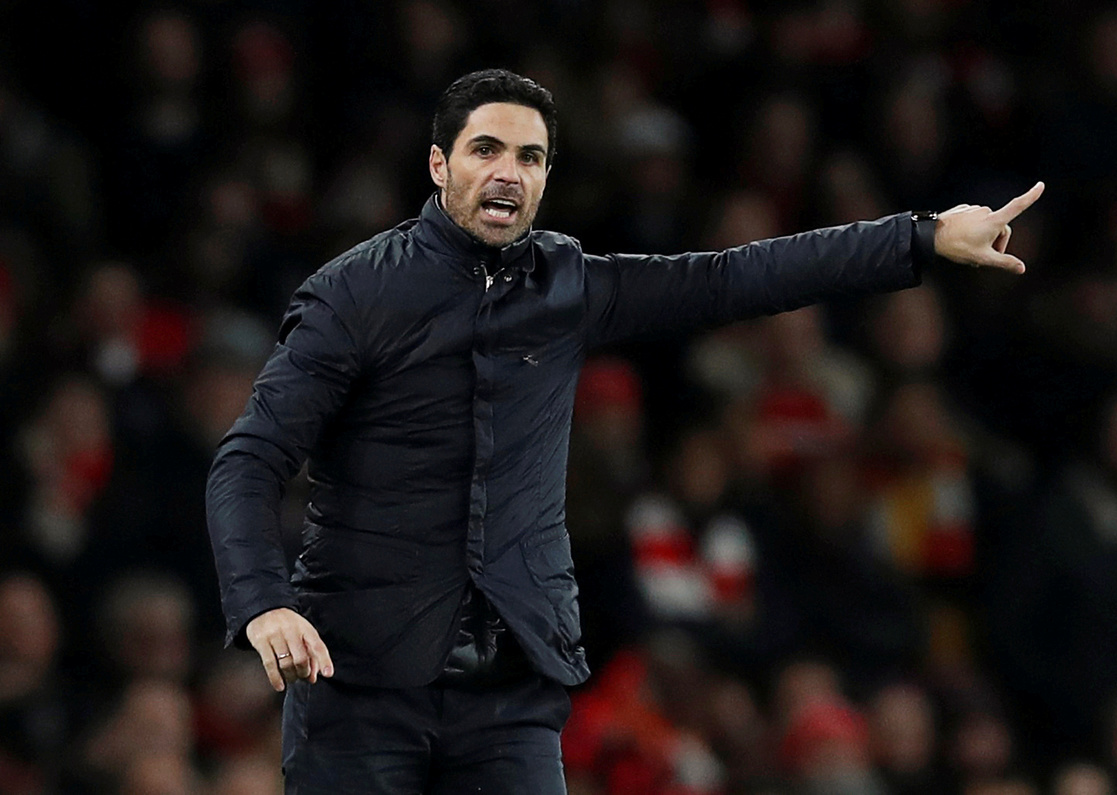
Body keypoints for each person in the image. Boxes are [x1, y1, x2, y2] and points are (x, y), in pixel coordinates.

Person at [205, 68, 1044, 794]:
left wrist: (923, 236)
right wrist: (265, 602)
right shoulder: (352, 294)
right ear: (438, 164)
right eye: (486, 149)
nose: (508, 172)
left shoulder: (566, 284)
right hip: (361, 686)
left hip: (511, 695)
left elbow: (735, 278)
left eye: (530, 156)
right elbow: (249, 459)